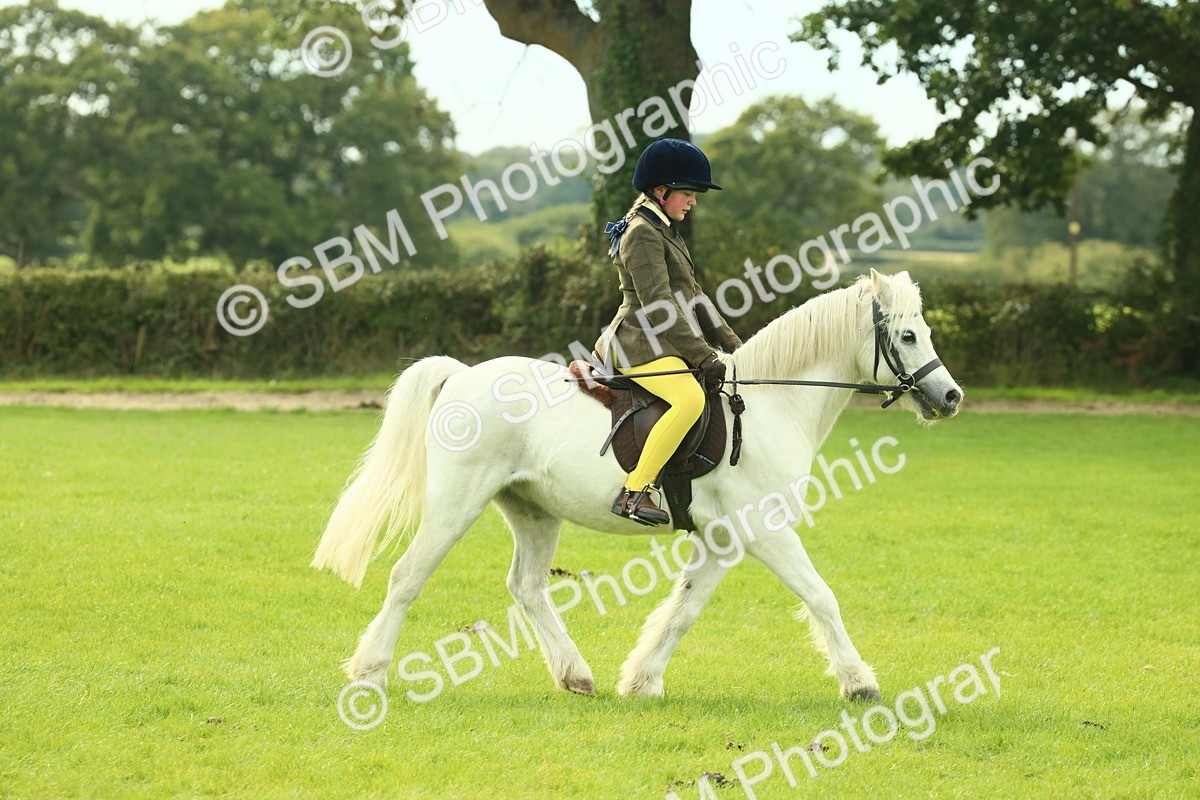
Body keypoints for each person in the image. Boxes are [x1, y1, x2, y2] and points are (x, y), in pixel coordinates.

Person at [595, 138, 742, 526]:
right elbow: (659, 306)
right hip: (636, 343)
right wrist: (702, 355)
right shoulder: (641, 234)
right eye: (689, 194)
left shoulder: (665, 230)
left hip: (661, 341)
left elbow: (695, 299)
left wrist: (737, 348)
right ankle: (635, 491)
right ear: (661, 191)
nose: (693, 202)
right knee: (690, 399)